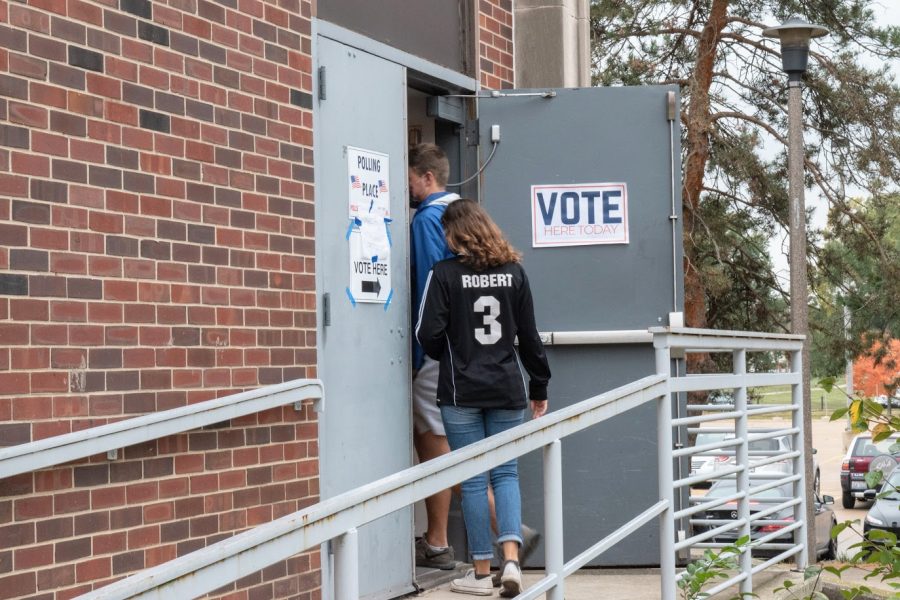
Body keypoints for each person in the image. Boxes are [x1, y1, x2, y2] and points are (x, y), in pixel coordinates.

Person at [416, 199, 551, 597]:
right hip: (508, 388)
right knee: (506, 473)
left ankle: (479, 573)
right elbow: (530, 337)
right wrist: (539, 387)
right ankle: (511, 559)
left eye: (446, 232)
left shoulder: (443, 275)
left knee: (473, 481)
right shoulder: (515, 273)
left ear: (456, 233)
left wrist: (455, 354)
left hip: (461, 392)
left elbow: (427, 334)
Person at [408, 143, 460, 569]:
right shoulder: (469, 214)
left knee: (435, 442)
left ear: (427, 178)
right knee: (457, 439)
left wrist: (420, 350)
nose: (407, 190)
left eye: (409, 179)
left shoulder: (428, 218)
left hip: (437, 352)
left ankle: (508, 532)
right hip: (472, 352)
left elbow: (428, 285)